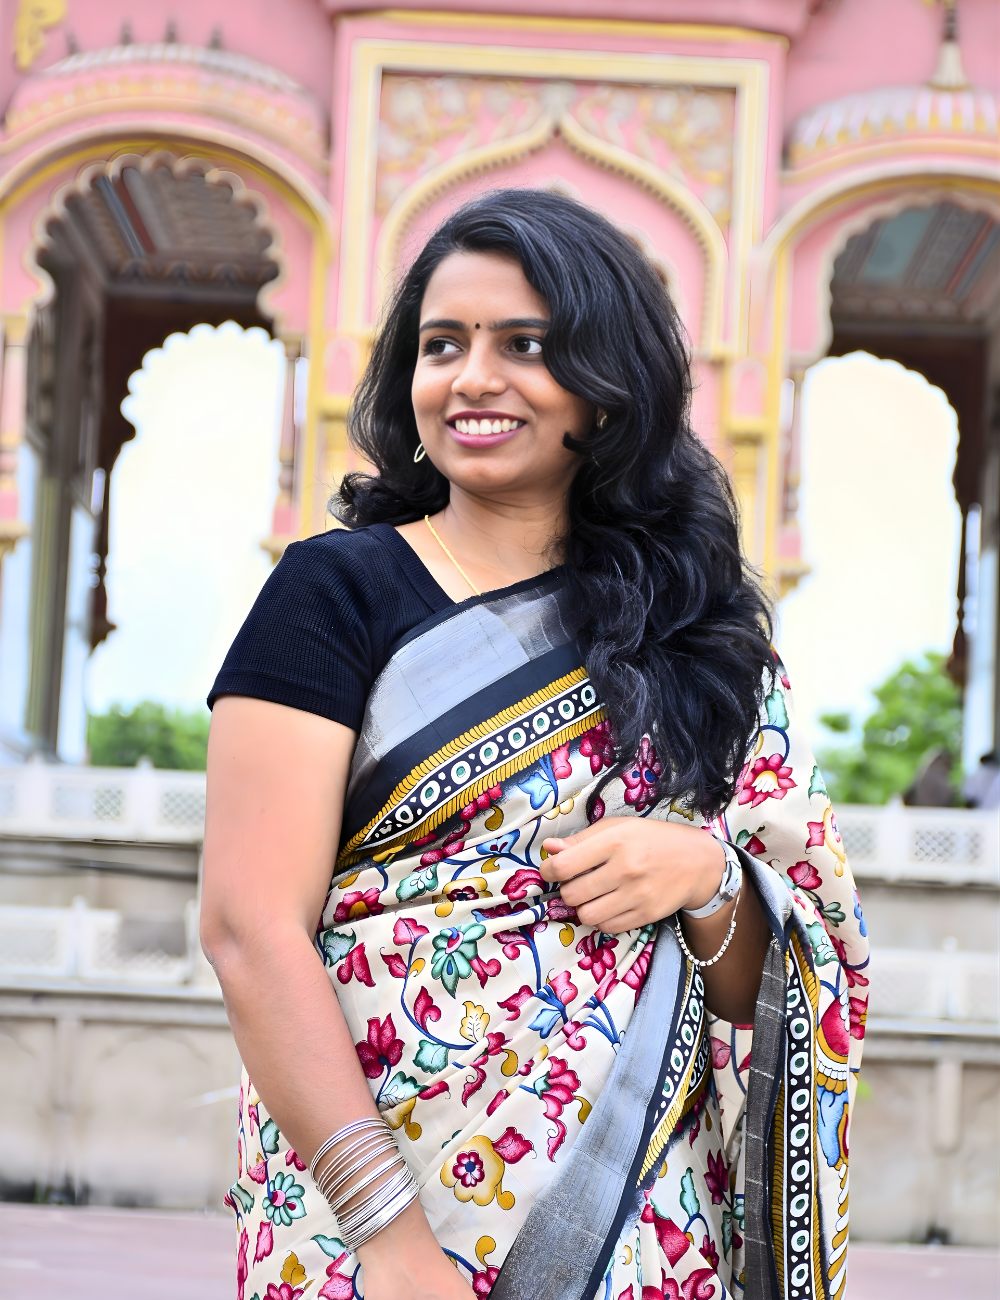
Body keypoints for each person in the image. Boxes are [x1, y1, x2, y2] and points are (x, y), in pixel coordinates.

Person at [201, 190, 869, 1300]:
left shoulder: (701, 639)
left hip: (642, 1223)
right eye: (441, 345)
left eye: (525, 345)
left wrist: (707, 880)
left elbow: (783, 986)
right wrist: (391, 1242)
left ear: (607, 386)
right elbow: (247, 929)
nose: (471, 377)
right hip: (369, 1216)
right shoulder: (334, 590)